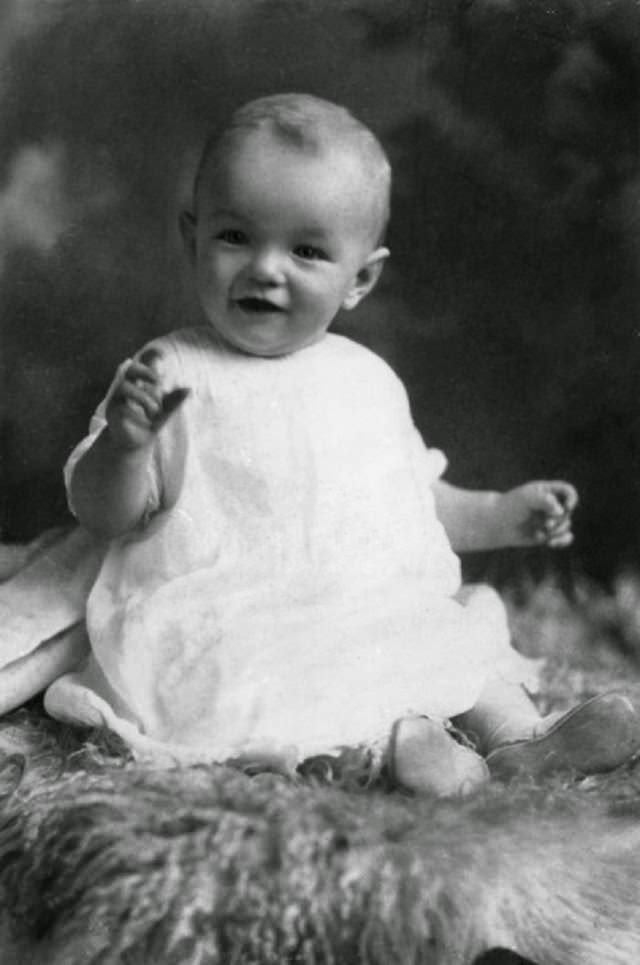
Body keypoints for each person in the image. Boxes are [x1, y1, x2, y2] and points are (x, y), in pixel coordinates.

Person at [43, 93, 640, 795]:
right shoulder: (170, 374)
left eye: (306, 250)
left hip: (361, 603)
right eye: (236, 236)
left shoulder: (366, 379)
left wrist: (505, 513)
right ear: (192, 237)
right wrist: (125, 444)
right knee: (242, 685)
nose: (266, 268)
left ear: (360, 278)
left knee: (451, 639)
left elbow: (412, 499)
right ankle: (394, 754)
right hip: (231, 608)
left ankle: (519, 740)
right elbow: (105, 514)